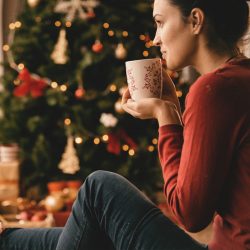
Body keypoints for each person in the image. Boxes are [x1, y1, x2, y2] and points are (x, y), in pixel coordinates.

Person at [0, 0, 249, 249]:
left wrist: (167, 117)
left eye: (160, 23)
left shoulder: (214, 90)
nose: (155, 39)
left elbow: (189, 214)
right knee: (90, 229)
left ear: (195, 20)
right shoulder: (238, 79)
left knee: (99, 189)